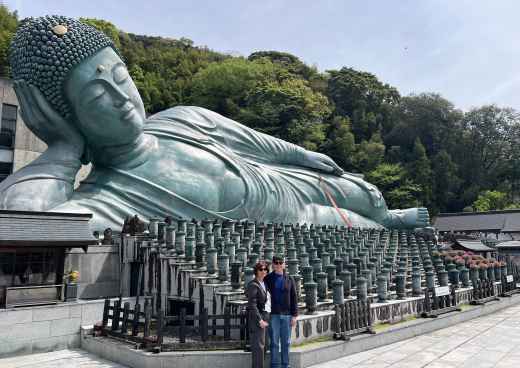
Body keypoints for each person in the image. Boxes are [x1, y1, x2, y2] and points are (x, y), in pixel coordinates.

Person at [1, 16, 430, 231]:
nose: (121, 100)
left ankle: (389, 214)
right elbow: (25, 224)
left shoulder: (179, 119)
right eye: (97, 97)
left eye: (120, 77)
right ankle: (388, 224)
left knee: (364, 191)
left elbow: (258, 143)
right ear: (66, 117)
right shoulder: (107, 197)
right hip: (288, 221)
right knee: (360, 230)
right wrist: (62, 150)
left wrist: (305, 154)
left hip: (280, 177)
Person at [264, 255, 298, 368]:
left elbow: (294, 297)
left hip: (287, 315)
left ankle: (285, 365)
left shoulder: (290, 279)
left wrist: (294, 316)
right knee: (274, 342)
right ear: (273, 264)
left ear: (284, 264)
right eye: (276, 263)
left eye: (280, 263)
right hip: (274, 315)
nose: (278, 265)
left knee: (286, 343)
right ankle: (274, 365)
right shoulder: (268, 278)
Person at [246, 261, 271, 368]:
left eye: (265, 269)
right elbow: (252, 305)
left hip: (266, 316)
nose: (263, 271)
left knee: (264, 346)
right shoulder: (253, 285)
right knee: (258, 347)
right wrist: (259, 320)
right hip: (258, 319)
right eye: (261, 269)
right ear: (256, 271)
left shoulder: (265, 283)